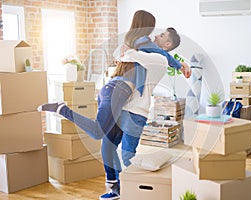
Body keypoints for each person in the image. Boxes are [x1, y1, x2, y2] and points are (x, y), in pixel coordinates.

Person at [38, 10, 191, 200]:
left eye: (160, 35)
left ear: (167, 44)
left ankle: (134, 190)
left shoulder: (158, 58)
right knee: (108, 146)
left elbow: (130, 55)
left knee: (127, 155)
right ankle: (115, 187)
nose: (155, 35)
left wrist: (177, 63)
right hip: (123, 104)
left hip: (136, 113)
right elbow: (122, 52)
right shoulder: (144, 48)